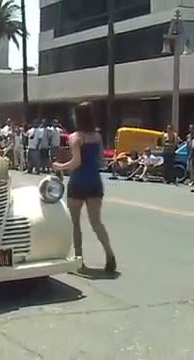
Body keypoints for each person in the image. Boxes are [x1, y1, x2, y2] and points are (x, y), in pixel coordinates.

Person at [52, 102, 116, 272]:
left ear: (77, 117)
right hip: (95, 181)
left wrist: (59, 166)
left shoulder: (75, 138)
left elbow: (76, 162)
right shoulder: (97, 137)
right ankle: (109, 254)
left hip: (78, 182)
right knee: (96, 222)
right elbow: (101, 160)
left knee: (75, 223)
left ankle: (79, 259)